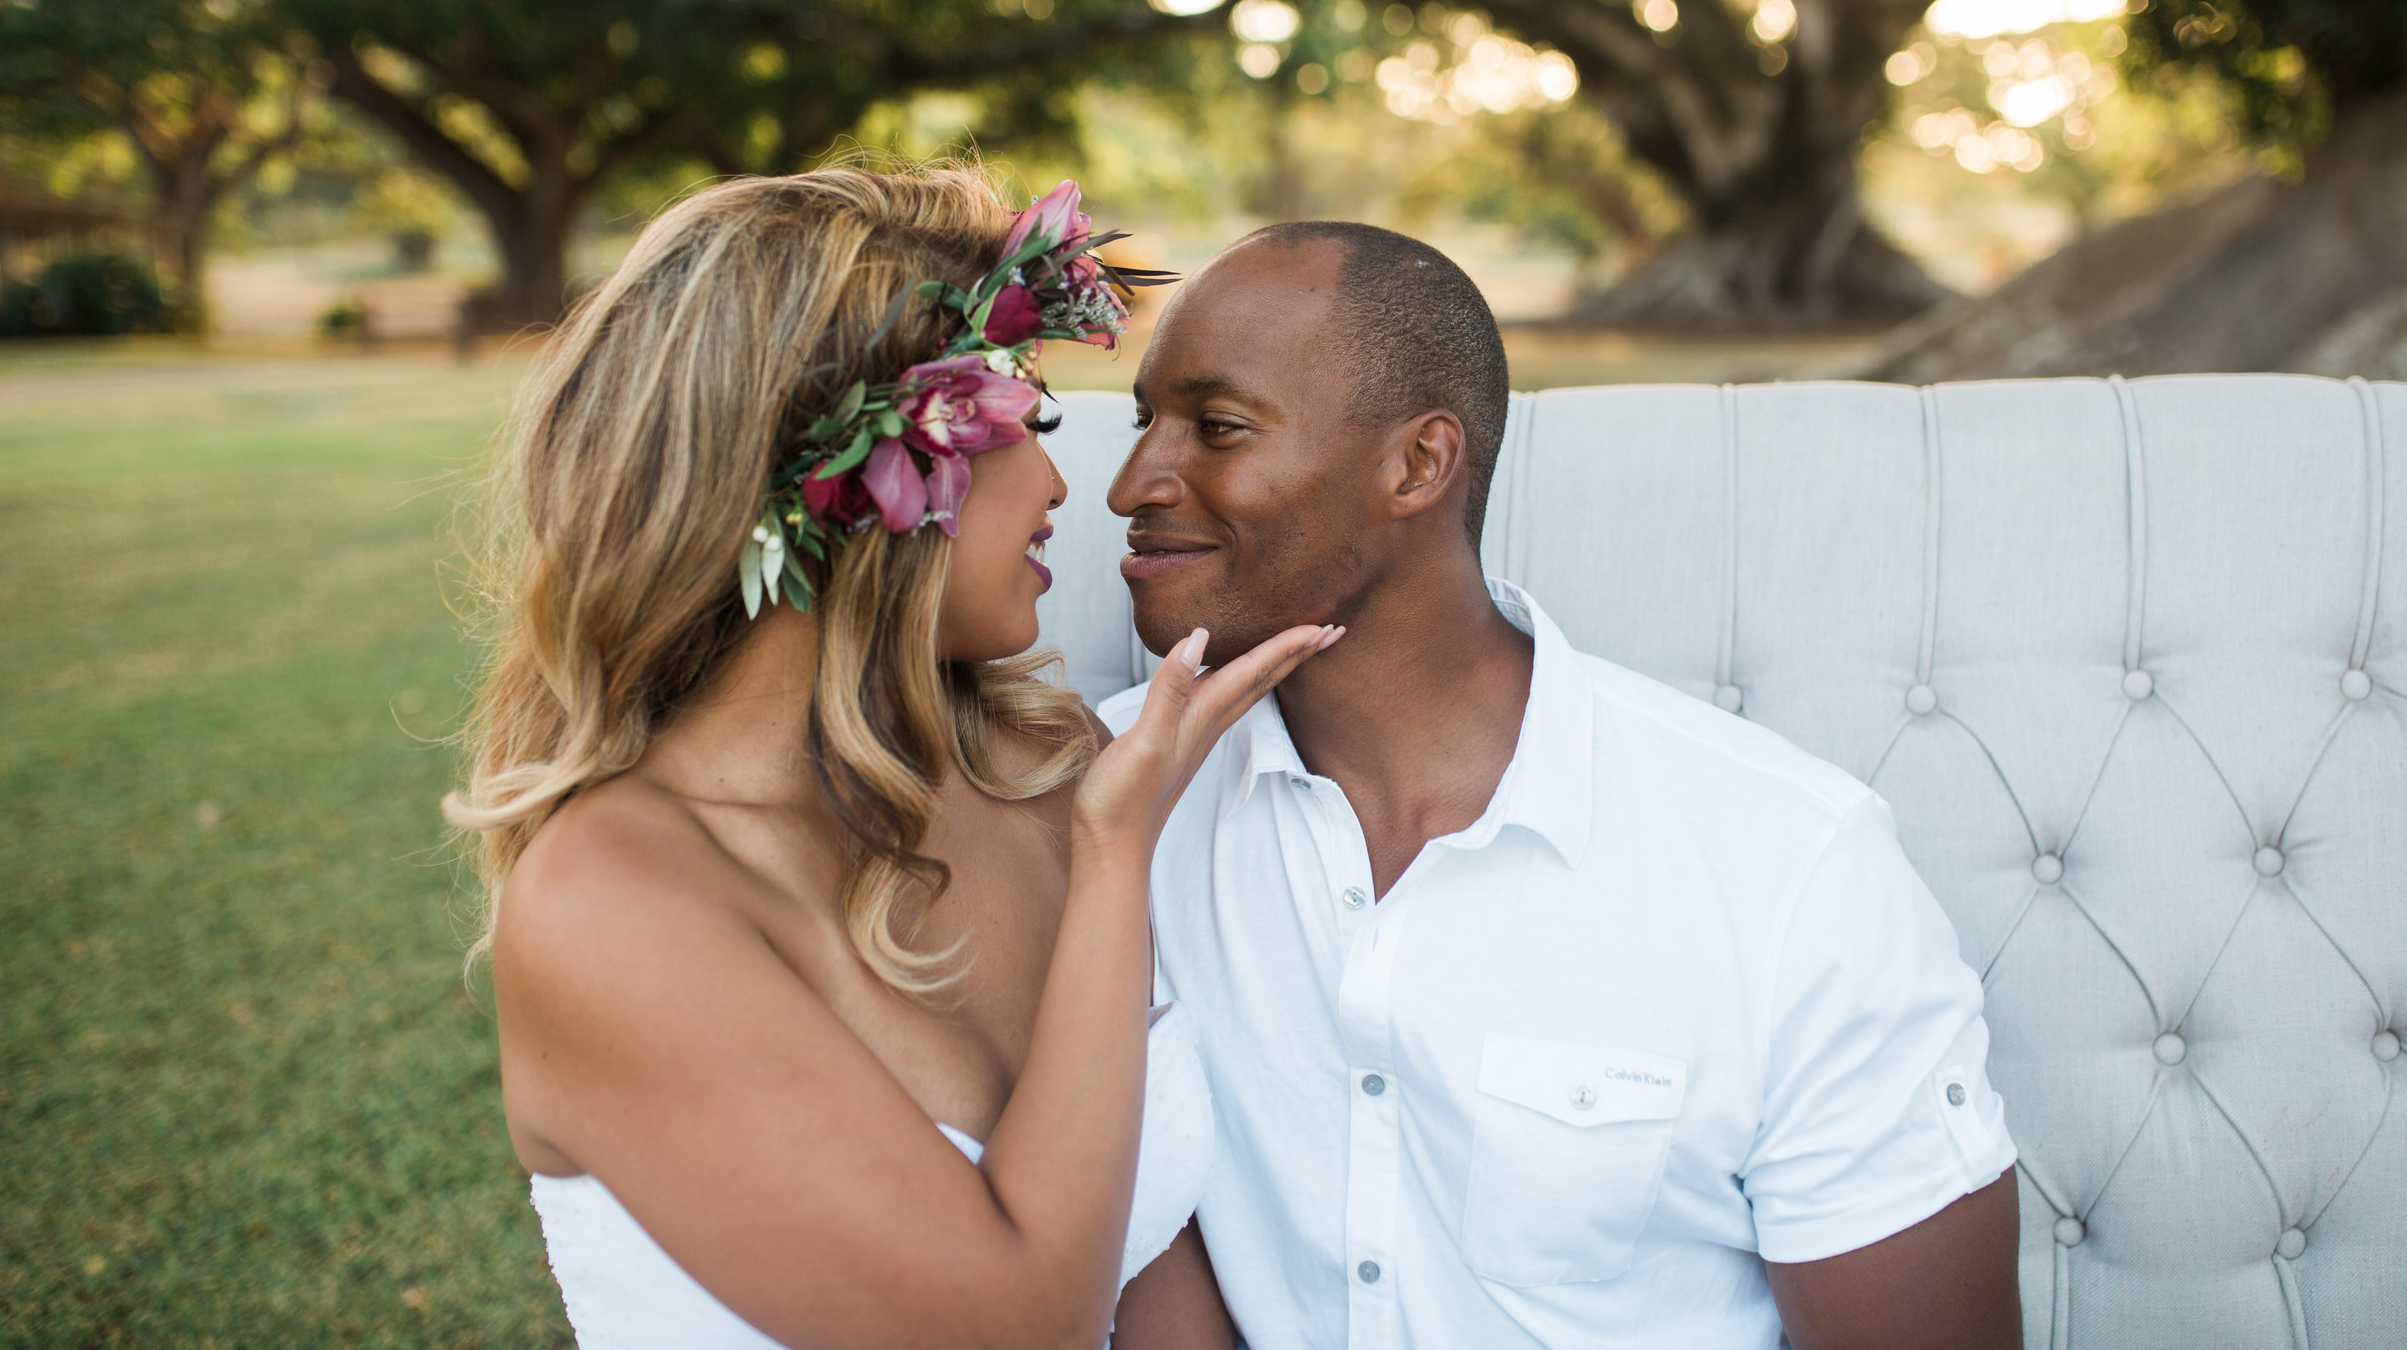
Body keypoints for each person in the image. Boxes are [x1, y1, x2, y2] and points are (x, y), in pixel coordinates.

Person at [442, 165, 1336, 1350]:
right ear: (868, 482)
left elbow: (1148, 1249)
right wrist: (1116, 855)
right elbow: (1022, 1326)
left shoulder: (1030, 764)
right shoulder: (614, 900)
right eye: (1021, 425)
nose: (1067, 481)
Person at [1101, 221, 2024, 1350]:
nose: (1130, 482)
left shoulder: (1785, 866)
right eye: (1142, 419)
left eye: (1216, 426)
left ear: (1417, 465)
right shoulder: (1100, 811)